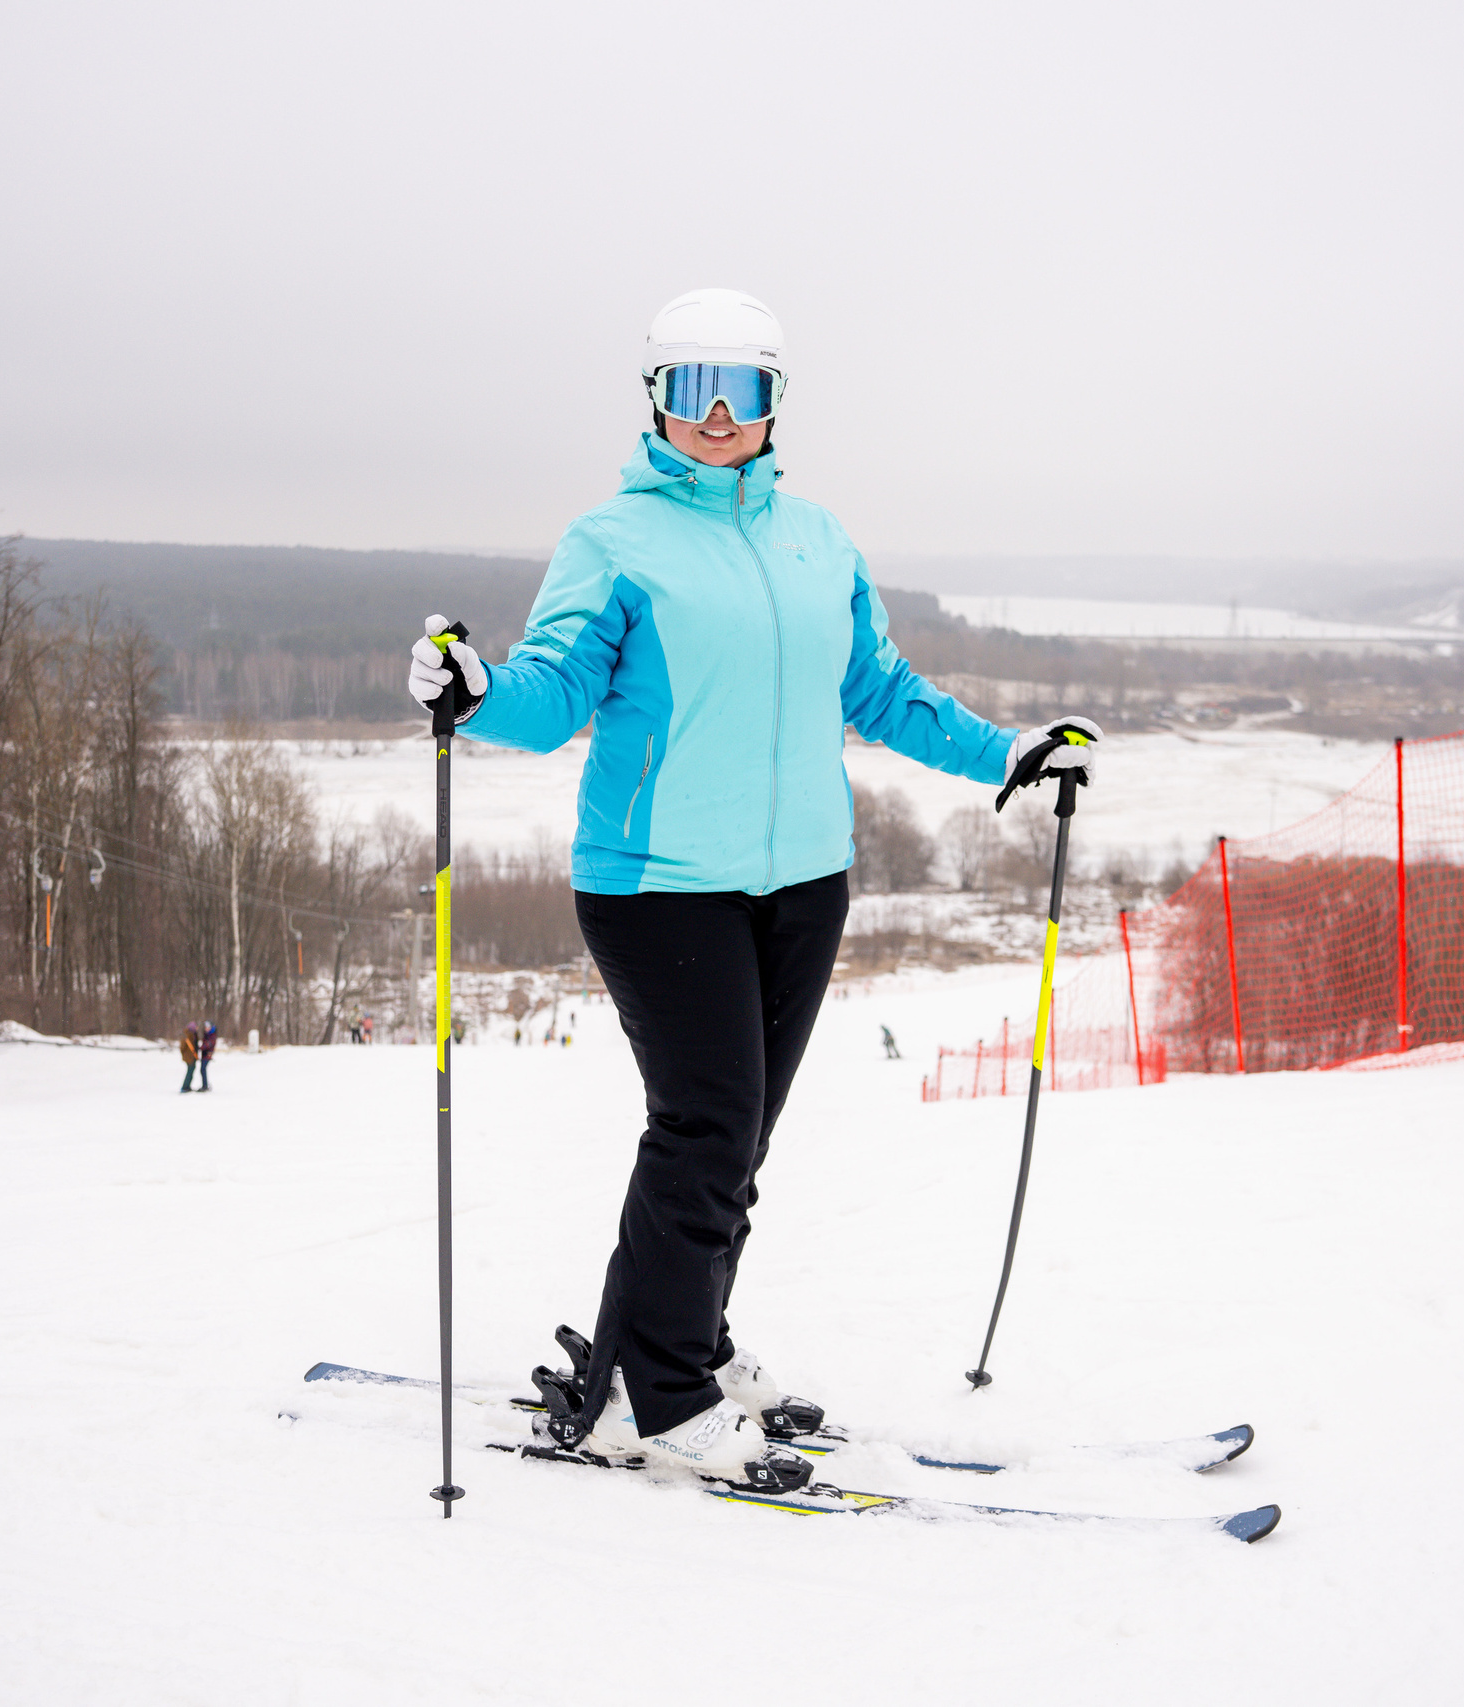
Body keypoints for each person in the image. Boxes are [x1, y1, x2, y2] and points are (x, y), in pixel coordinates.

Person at [407, 287, 1097, 1491]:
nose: (717, 414)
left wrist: (1009, 752)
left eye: (742, 388)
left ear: (777, 401)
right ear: (654, 399)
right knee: (706, 1127)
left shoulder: (818, 541)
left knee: (736, 1141)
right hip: (659, 884)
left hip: (804, 883)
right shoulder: (612, 543)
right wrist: (476, 691)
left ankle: (673, 1346)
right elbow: (553, 692)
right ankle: (665, 1397)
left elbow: (879, 690)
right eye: (691, 387)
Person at [178, 1022, 203, 1093]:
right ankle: (185, 1087)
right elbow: (182, 1048)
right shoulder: (187, 1036)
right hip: (189, 1058)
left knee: (191, 1071)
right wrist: (186, 1055)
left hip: (193, 1057)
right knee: (190, 1072)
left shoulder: (193, 1035)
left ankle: (187, 1086)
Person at [196, 1020, 218, 1093]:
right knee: (202, 1070)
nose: (206, 1028)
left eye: (208, 1027)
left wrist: (201, 1048)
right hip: (204, 1055)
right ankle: (205, 1085)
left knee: (203, 1069)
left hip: (207, 1055)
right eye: (205, 1027)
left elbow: (208, 1044)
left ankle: (205, 1086)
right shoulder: (207, 1034)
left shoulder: (212, 1035)